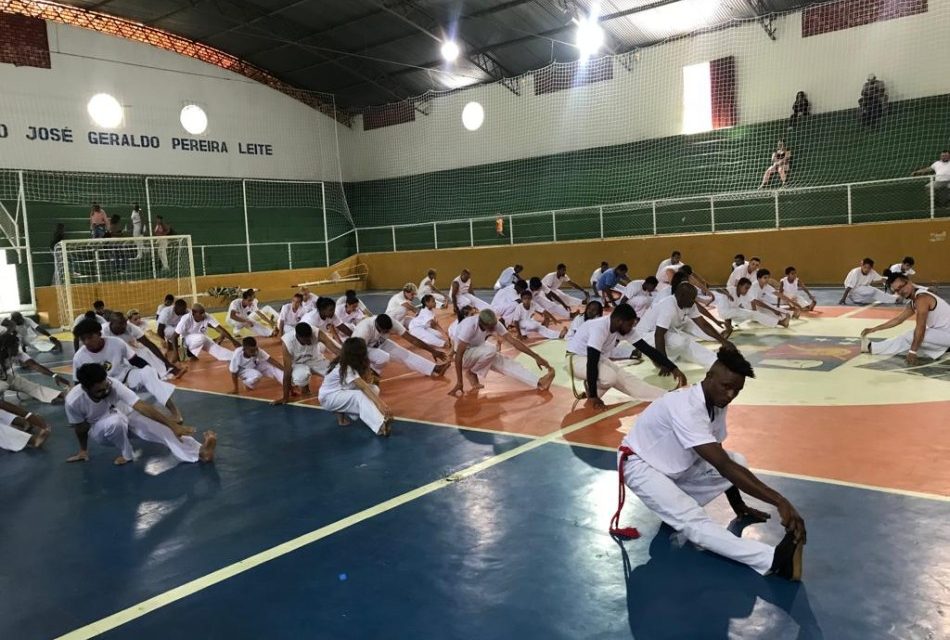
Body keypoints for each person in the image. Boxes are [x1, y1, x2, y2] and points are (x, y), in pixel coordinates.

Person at [615, 347, 806, 580]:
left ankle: (672, 507)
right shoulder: (686, 407)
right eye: (726, 386)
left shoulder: (716, 403)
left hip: (675, 468)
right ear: (709, 377)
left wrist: (739, 507)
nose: (730, 395)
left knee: (738, 461)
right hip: (640, 465)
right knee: (693, 521)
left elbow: (723, 458)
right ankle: (773, 560)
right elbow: (723, 466)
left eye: (737, 390)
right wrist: (779, 501)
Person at [65, 363, 216, 466]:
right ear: (85, 388)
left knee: (161, 427)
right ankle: (127, 454)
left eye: (106, 387)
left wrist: (173, 425)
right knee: (115, 421)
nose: (105, 392)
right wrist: (83, 450)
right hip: (100, 429)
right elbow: (80, 429)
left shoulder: (112, 384)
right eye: (99, 391)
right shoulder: (73, 401)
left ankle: (200, 452)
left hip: (122, 414)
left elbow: (141, 405)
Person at [566, 303, 686, 409]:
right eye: (629, 325)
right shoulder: (599, 327)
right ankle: (592, 394)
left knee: (628, 380)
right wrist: (593, 396)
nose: (631, 328)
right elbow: (592, 361)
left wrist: (673, 368)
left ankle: (665, 396)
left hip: (594, 359)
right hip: (575, 359)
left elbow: (648, 350)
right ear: (619, 321)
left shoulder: (622, 328)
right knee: (610, 377)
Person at [73, 318, 184, 423]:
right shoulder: (79, 357)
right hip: (108, 388)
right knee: (129, 418)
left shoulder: (116, 343)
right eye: (83, 339)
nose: (87, 341)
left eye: (90, 337)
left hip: (127, 376)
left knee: (148, 372)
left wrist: (153, 374)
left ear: (99, 333)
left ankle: (174, 411)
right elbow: (78, 384)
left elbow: (136, 360)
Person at [448, 309, 555, 395]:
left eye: (494, 326)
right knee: (490, 349)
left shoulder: (494, 323)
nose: (494, 328)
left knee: (505, 363)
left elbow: (513, 341)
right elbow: (458, 355)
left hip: (478, 350)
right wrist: (459, 382)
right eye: (491, 327)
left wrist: (536, 356)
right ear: (482, 324)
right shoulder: (469, 326)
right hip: (464, 357)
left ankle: (538, 382)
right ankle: (472, 372)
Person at [635, 283, 731, 370]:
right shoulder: (668, 306)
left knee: (684, 342)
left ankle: (714, 362)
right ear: (681, 296)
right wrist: (664, 363)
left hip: (663, 331)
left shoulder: (689, 303)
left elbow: (703, 325)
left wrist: (723, 341)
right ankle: (655, 356)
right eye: (691, 299)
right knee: (681, 341)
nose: (694, 302)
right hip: (644, 336)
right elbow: (659, 335)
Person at [860, 274, 950, 364]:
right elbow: (898, 320)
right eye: (897, 290)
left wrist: (912, 352)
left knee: (911, 336)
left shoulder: (922, 299)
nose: (901, 291)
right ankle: (872, 347)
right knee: (908, 337)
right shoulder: (914, 301)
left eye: (901, 286)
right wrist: (874, 329)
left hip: (946, 334)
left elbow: (921, 327)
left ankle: (944, 349)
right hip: (943, 333)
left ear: (909, 282)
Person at [318, 337, 394, 437]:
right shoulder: (344, 366)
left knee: (374, 389)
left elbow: (365, 383)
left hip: (340, 393)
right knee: (359, 395)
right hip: (328, 398)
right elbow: (363, 387)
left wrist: (367, 370)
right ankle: (380, 426)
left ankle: (353, 414)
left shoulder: (350, 362)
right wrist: (381, 405)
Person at [353, 314, 450, 379]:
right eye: (384, 331)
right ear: (377, 327)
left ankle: (435, 368)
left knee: (405, 354)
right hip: (362, 349)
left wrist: (432, 351)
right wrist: (364, 370)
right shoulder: (364, 329)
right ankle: (370, 374)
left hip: (380, 343)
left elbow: (412, 339)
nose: (387, 333)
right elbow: (355, 352)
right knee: (383, 357)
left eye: (388, 331)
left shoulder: (392, 323)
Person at [103, 312, 185, 381]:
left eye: (125, 324)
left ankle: (165, 372)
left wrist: (167, 362)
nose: (124, 327)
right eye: (120, 325)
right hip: (112, 353)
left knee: (146, 352)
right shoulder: (103, 332)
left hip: (131, 349)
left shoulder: (131, 327)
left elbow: (150, 345)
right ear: (111, 323)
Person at [274, 322, 339, 404]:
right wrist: (285, 397)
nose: (309, 341)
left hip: (316, 360)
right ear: (298, 337)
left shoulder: (317, 332)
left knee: (335, 374)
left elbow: (335, 349)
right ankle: (304, 385)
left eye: (310, 337)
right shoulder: (287, 342)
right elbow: (287, 371)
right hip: (298, 364)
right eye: (306, 339)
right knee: (300, 378)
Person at [0, 333, 70, 404]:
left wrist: (54, 375)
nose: (17, 349)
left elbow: (34, 365)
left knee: (32, 387)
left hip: (8, 376)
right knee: (3, 386)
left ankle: (56, 396)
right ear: (6, 348)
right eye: (14, 347)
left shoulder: (18, 353)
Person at [173, 304, 238, 362]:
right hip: (187, 340)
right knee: (201, 338)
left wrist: (233, 341)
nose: (203, 315)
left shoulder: (207, 316)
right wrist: (176, 354)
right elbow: (174, 337)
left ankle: (237, 357)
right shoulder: (186, 319)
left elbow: (220, 329)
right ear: (193, 313)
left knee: (220, 351)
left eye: (203, 312)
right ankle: (189, 351)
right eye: (201, 313)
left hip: (202, 338)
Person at [715, 278, 786, 332]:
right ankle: (781, 322)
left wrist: (773, 310)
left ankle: (728, 327)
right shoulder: (731, 289)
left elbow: (757, 302)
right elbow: (717, 289)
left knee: (754, 314)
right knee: (753, 314)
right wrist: (727, 294)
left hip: (731, 313)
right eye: (746, 288)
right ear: (739, 286)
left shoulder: (744, 295)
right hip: (725, 312)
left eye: (748, 288)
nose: (747, 290)